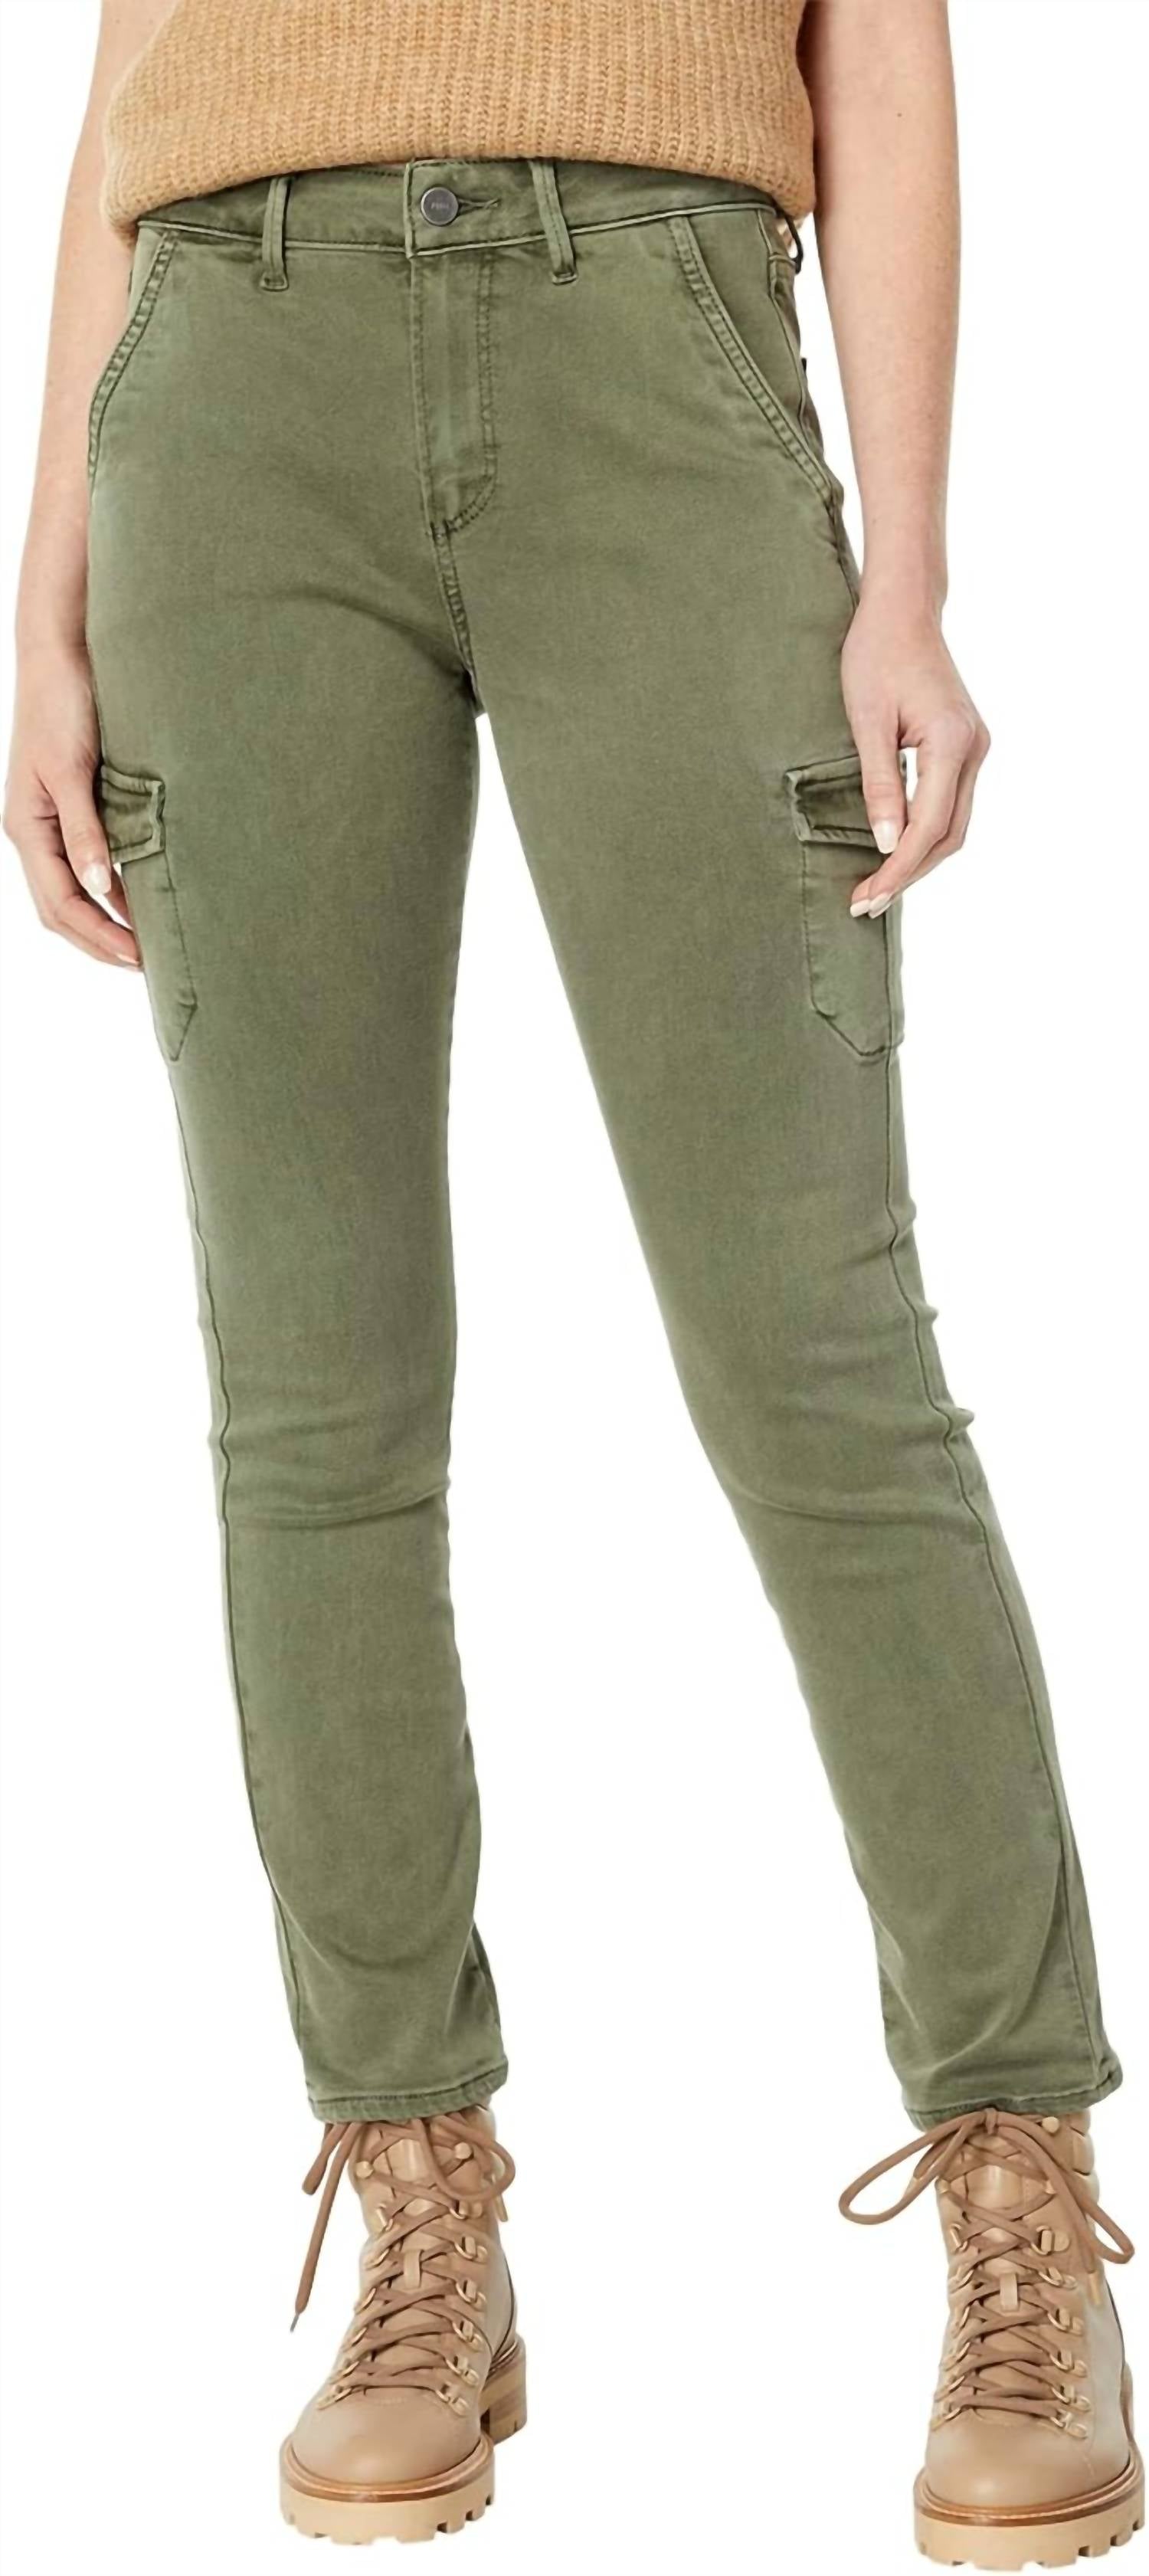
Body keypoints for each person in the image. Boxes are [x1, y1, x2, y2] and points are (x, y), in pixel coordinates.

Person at [4, 0, 1141, 2561]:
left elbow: (882, 45)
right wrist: (41, 589)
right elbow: (121, 69)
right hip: (225, 380)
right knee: (311, 1389)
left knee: (816, 1356)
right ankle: (418, 2187)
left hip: (656, 344)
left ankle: (1016, 2182)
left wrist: (908, 568)